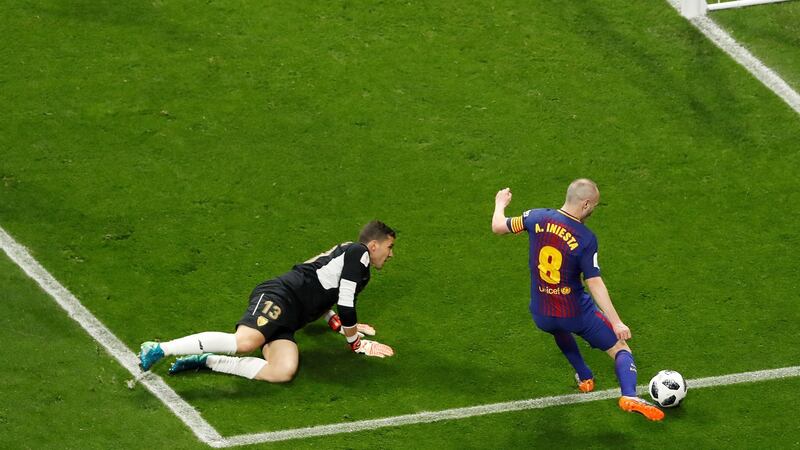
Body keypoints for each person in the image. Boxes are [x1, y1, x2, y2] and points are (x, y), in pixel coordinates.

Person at [138, 220, 396, 383]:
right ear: (373, 245)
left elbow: (321, 285)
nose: (391, 254)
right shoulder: (358, 253)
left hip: (291, 317)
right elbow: (346, 303)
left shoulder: (351, 256)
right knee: (245, 342)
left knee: (282, 371)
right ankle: (160, 348)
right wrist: (356, 343)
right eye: (389, 247)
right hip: (280, 297)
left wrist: (335, 321)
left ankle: (206, 361)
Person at [491, 180, 664, 421]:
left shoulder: (535, 217)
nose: (593, 210)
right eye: (593, 206)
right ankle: (629, 395)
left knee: (558, 329)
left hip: (541, 313)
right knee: (621, 349)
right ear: (585, 204)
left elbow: (498, 226)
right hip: (575, 313)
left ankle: (585, 378)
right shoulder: (585, 237)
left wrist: (500, 204)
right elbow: (594, 282)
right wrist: (617, 322)